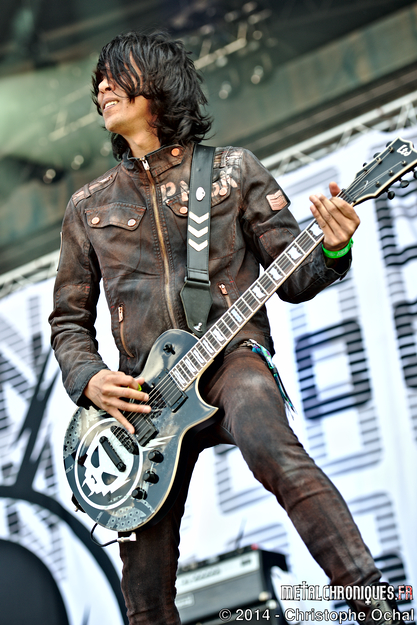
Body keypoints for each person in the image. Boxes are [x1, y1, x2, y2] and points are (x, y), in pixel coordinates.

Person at [49, 31, 399, 625]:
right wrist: (90, 380)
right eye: (99, 80)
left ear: (158, 84)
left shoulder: (234, 171)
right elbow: (68, 321)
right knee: (144, 588)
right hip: (143, 400)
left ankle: (374, 602)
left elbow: (295, 275)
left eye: (117, 74)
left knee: (272, 446)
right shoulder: (88, 206)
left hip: (232, 358)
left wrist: (334, 248)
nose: (103, 86)